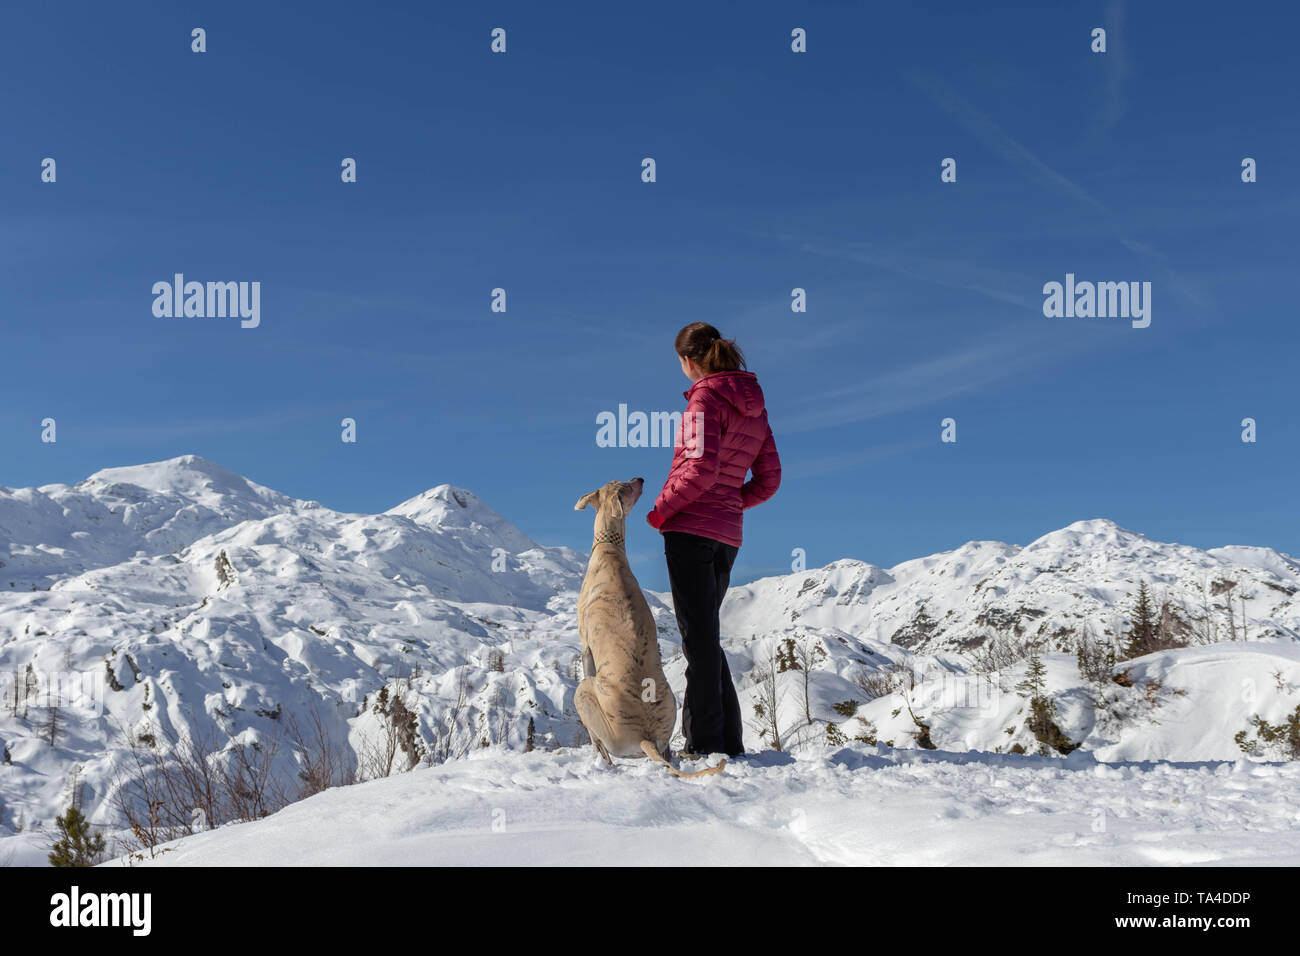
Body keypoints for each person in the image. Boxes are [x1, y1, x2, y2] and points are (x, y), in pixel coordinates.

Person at [645, 322, 781, 758]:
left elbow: (699, 468)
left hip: (689, 530)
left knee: (698, 640)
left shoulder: (703, 399)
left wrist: (660, 509)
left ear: (688, 361)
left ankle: (704, 745)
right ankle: (728, 742)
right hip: (727, 535)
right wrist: (731, 504)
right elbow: (769, 478)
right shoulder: (754, 404)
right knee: (706, 637)